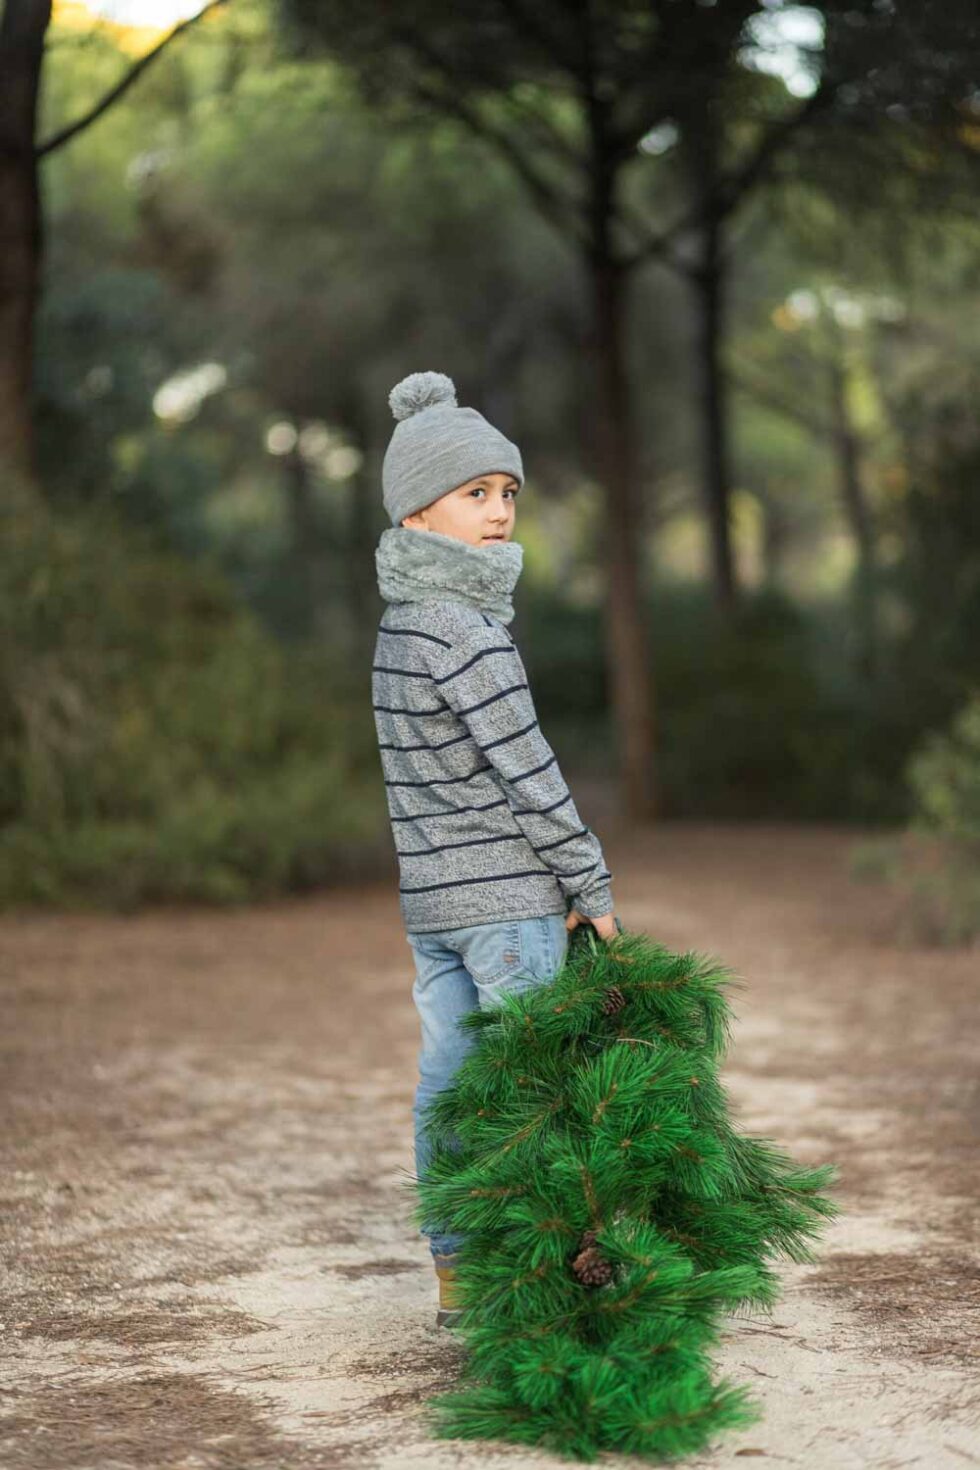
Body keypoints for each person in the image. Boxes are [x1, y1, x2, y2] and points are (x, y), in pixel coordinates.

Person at [371, 370, 619, 1326]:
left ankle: (460, 1269)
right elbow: (529, 769)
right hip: (507, 904)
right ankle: (543, 1275)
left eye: (509, 492)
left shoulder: (398, 630)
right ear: (417, 512)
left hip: (430, 907)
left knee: (447, 1086)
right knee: (536, 1092)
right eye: (474, 493)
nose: (500, 511)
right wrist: (587, 880)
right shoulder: (467, 631)